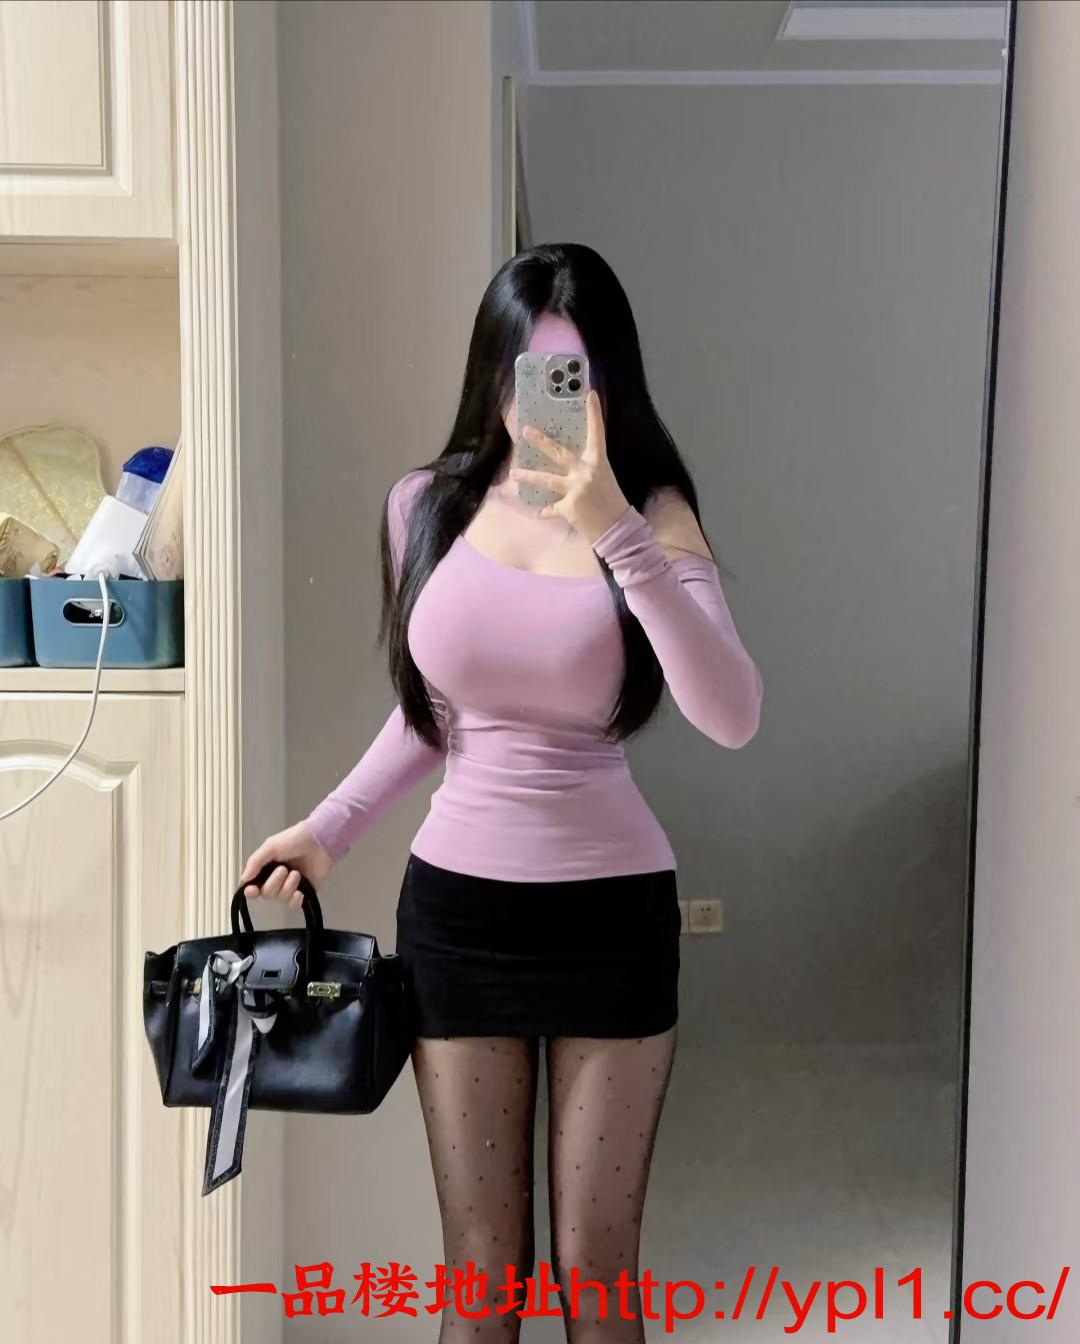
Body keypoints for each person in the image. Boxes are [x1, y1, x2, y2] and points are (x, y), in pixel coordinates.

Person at [240, 242, 764, 1342]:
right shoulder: (424, 508)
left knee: (596, 1273)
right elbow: (437, 715)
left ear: (610, 385)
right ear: (494, 375)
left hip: (611, 916)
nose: (547, 405)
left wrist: (613, 527)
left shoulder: (655, 516)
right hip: (458, 918)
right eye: (531, 373)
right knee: (481, 1279)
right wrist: (328, 830)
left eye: (576, 377)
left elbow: (731, 713)